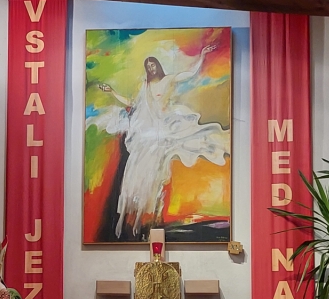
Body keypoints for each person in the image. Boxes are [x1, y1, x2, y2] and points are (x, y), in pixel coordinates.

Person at [92, 46, 230, 238]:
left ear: (157, 66)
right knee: (135, 173)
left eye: (153, 65)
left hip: (164, 129)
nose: (151, 68)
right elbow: (133, 104)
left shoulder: (168, 80)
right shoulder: (145, 86)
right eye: (148, 66)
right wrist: (112, 92)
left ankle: (144, 220)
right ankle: (128, 219)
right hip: (146, 134)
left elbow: (189, 75)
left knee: (155, 175)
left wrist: (202, 56)